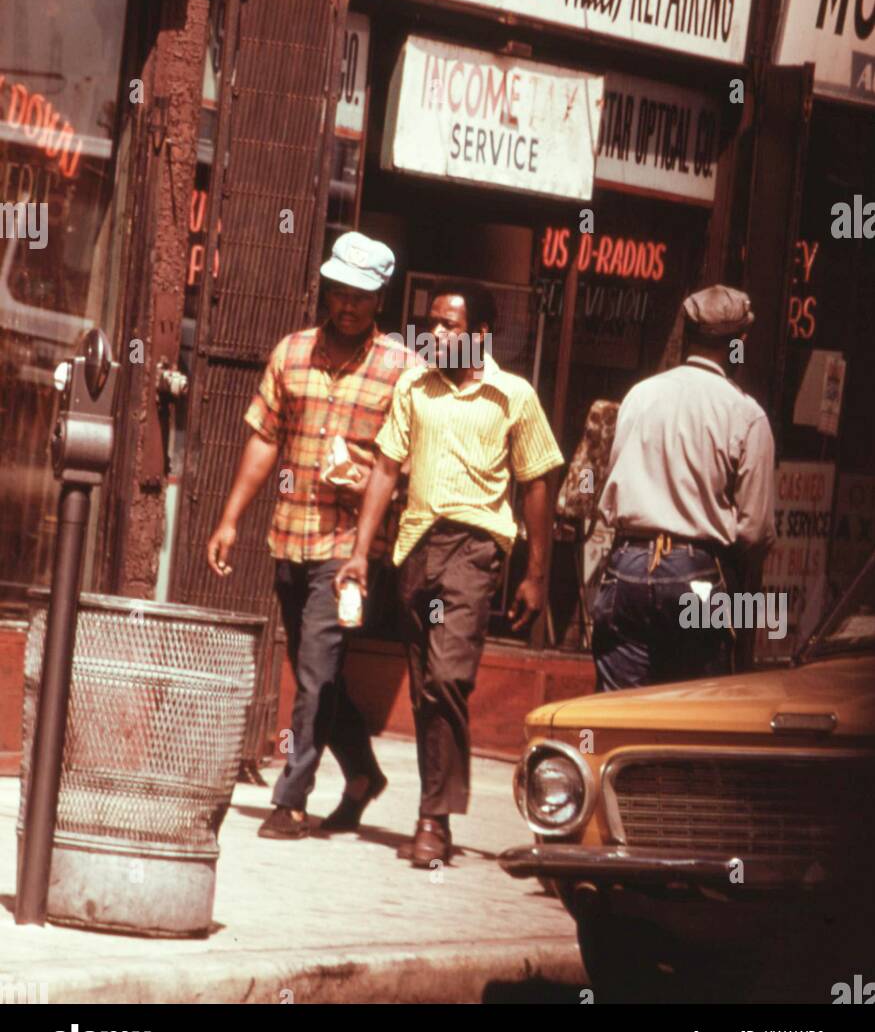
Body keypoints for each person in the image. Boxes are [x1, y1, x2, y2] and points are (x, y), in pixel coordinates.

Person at [335, 282, 565, 867]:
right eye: (430, 323)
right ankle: (438, 807)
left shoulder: (513, 396)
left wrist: (536, 573)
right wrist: (361, 552)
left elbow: (537, 482)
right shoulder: (415, 388)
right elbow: (387, 468)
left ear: (481, 335)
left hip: (475, 549)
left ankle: (433, 818)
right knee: (423, 686)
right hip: (417, 548)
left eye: (449, 326)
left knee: (447, 676)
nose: (435, 335)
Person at [207, 231, 417, 840]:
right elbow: (264, 438)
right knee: (311, 671)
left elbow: (403, 463)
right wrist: (229, 518)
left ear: (380, 299)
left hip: (350, 549)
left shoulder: (403, 369)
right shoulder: (292, 352)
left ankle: (291, 798)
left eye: (360, 295)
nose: (346, 305)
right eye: (337, 292)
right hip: (289, 533)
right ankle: (362, 776)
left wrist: (375, 497)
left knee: (318, 669)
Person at [593, 284, 776, 691]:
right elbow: (755, 531)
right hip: (698, 572)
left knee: (618, 717)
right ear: (737, 346)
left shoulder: (639, 396)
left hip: (628, 564)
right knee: (694, 715)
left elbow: (613, 485)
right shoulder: (745, 413)